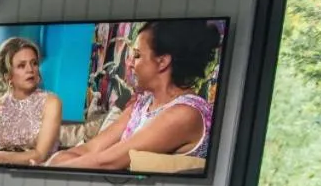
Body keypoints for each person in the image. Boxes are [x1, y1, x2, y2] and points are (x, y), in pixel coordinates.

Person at [46, 20, 220, 171]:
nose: (128, 63)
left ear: (162, 62)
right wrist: (53, 161)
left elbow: (107, 161)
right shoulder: (142, 104)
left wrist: (46, 170)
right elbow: (90, 149)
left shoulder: (185, 113)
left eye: (136, 55)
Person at [0, 37, 63, 167]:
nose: (30, 69)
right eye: (21, 65)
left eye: (34, 63)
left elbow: (39, 155)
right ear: (8, 75)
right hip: (3, 172)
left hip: (40, 171)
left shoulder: (52, 102)